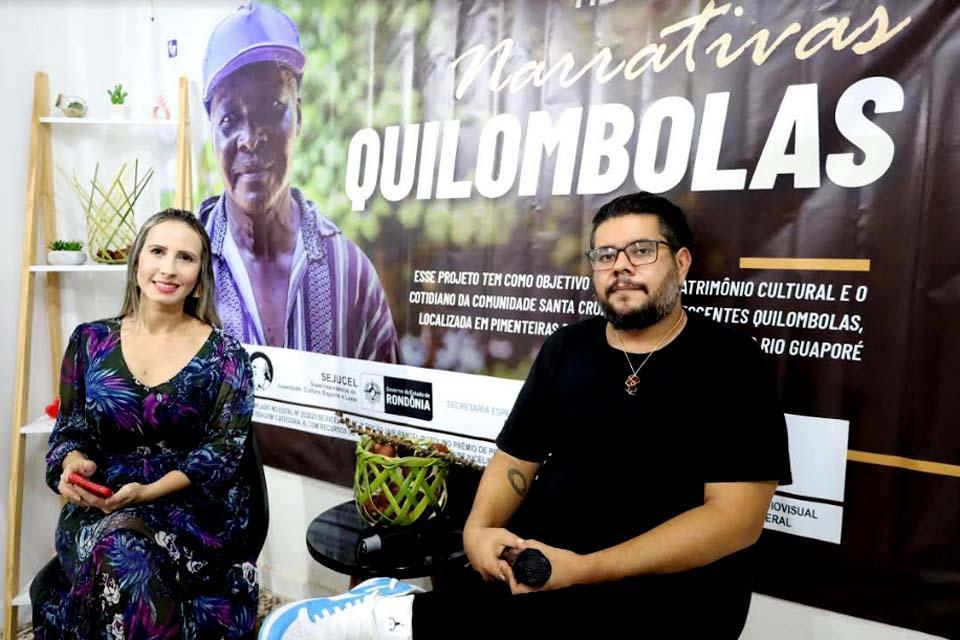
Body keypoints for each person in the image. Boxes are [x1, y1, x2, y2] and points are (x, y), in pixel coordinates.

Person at [258, 192, 793, 639]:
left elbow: (735, 522)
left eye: (641, 250)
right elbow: (516, 458)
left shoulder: (732, 363)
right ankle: (396, 615)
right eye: (605, 255)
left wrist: (583, 569)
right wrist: (479, 530)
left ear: (681, 263)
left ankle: (395, 618)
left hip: (671, 590)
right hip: (546, 562)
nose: (620, 266)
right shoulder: (568, 348)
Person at [35, 209, 259, 639]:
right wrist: (72, 467)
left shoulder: (228, 356)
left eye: (185, 258)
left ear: (200, 276)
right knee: (120, 548)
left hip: (192, 511)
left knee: (126, 555)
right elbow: (69, 433)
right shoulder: (89, 341)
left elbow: (222, 454)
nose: (169, 269)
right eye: (157, 251)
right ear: (136, 261)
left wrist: (148, 492)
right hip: (98, 508)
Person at [199, 2, 399, 362]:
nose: (249, 139)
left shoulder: (351, 274)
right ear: (211, 131)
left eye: (270, 109)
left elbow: (385, 410)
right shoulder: (185, 270)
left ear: (300, 117)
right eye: (229, 119)